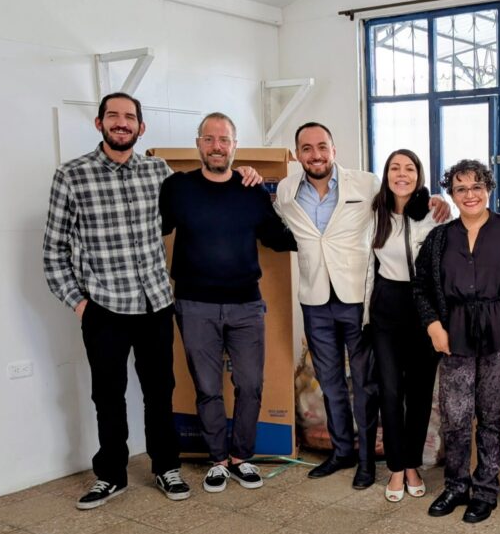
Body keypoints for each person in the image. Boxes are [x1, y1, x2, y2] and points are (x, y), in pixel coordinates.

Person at [43, 93, 260, 510]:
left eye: (130, 118)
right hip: (103, 306)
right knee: (108, 395)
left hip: (156, 304)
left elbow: (208, 179)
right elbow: (53, 252)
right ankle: (111, 475)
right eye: (114, 116)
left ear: (141, 128)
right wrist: (79, 303)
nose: (121, 123)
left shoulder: (160, 172)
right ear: (99, 123)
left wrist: (243, 171)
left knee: (160, 392)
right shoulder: (72, 176)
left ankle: (166, 466)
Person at [275, 123, 449, 489]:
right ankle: (342, 452)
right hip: (315, 298)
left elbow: (408, 194)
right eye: (306, 148)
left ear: (334, 149)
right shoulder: (287, 190)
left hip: (358, 299)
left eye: (322, 146)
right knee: (331, 383)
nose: (315, 154)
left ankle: (368, 462)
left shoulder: (367, 183)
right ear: (297, 154)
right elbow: (274, 216)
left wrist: (437, 199)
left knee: (368, 384)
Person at [158, 112, 297, 493]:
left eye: (224, 140)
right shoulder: (177, 188)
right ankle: (218, 461)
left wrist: (324, 235)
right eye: (209, 139)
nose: (217, 146)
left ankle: (241, 458)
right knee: (207, 387)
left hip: (245, 305)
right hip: (194, 304)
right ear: (199, 144)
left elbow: (277, 237)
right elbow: (152, 229)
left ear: (235, 146)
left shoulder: (250, 189)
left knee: (250, 384)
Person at [413, 160, 500, 524]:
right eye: (461, 188)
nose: (470, 194)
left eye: (477, 186)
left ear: (489, 189)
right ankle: (455, 486)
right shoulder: (438, 239)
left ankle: (485, 490)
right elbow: (420, 288)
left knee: (493, 416)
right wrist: (433, 325)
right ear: (452, 193)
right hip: (455, 335)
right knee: (455, 416)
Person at [363, 149, 440, 502]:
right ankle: (395, 466)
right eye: (395, 168)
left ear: (418, 175)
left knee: (420, 392)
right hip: (387, 308)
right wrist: (366, 315)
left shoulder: (431, 214)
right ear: (387, 174)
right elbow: (367, 267)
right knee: (390, 391)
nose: (402, 174)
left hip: (423, 308)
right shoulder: (374, 212)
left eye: (409, 168)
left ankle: (412, 464)